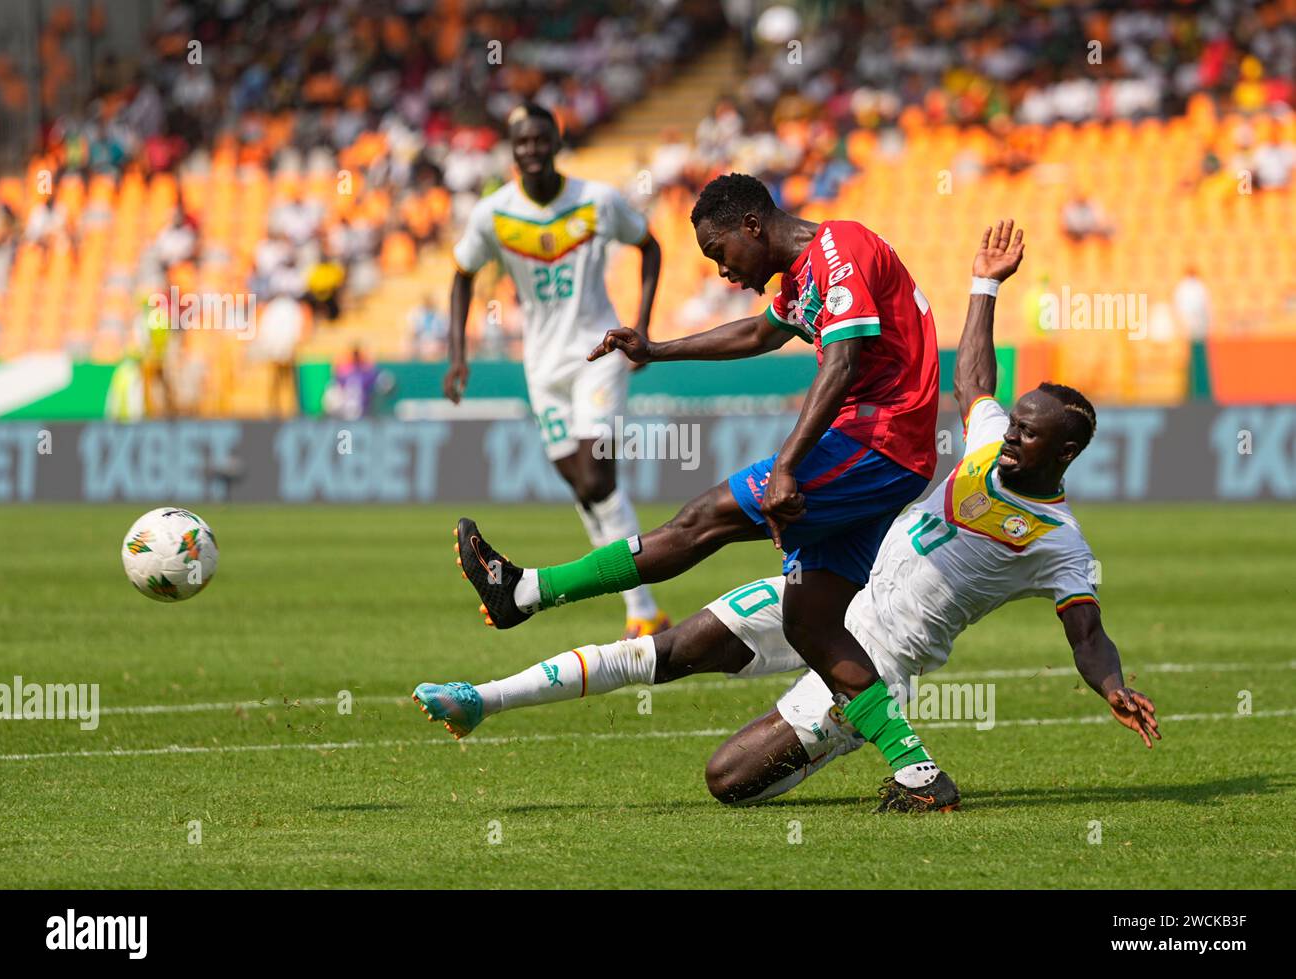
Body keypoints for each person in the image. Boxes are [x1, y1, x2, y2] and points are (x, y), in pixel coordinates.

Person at [418, 222, 1160, 812]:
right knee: (667, 649)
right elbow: (972, 378)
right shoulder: (990, 442)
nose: (1010, 435)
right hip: (844, 589)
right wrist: (983, 284)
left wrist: (1111, 684)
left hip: (873, 659)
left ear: (1063, 453)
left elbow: (1087, 633)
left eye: (1028, 434)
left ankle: (908, 759)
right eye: (1015, 421)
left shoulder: (1061, 543)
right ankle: (485, 693)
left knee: (726, 778)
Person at [455, 173, 942, 802]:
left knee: (703, 518)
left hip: (880, 440)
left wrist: (789, 463)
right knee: (812, 623)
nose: (723, 273)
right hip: (884, 454)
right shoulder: (801, 280)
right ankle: (918, 771)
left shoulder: (840, 248)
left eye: (721, 254)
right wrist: (657, 351)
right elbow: (755, 334)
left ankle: (524, 591)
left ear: (752, 226)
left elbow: (844, 364)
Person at [446, 102, 668, 639]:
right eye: (523, 142)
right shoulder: (494, 213)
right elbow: (461, 275)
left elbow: (650, 247)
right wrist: (458, 354)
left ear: (556, 143)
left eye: (542, 140)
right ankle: (645, 611)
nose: (533, 150)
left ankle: (641, 611)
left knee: (597, 477)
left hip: (599, 351)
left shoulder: (597, 200)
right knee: (584, 490)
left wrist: (641, 326)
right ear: (513, 149)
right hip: (541, 366)